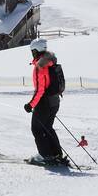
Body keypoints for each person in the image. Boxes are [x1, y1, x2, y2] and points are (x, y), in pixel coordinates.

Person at [23, 38, 68, 166]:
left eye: (33, 51)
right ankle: (56, 154)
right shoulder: (51, 63)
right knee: (48, 128)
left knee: (37, 129)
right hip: (54, 101)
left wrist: (30, 105)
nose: (32, 53)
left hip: (44, 103)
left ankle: (45, 156)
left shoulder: (40, 66)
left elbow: (40, 90)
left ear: (36, 51)